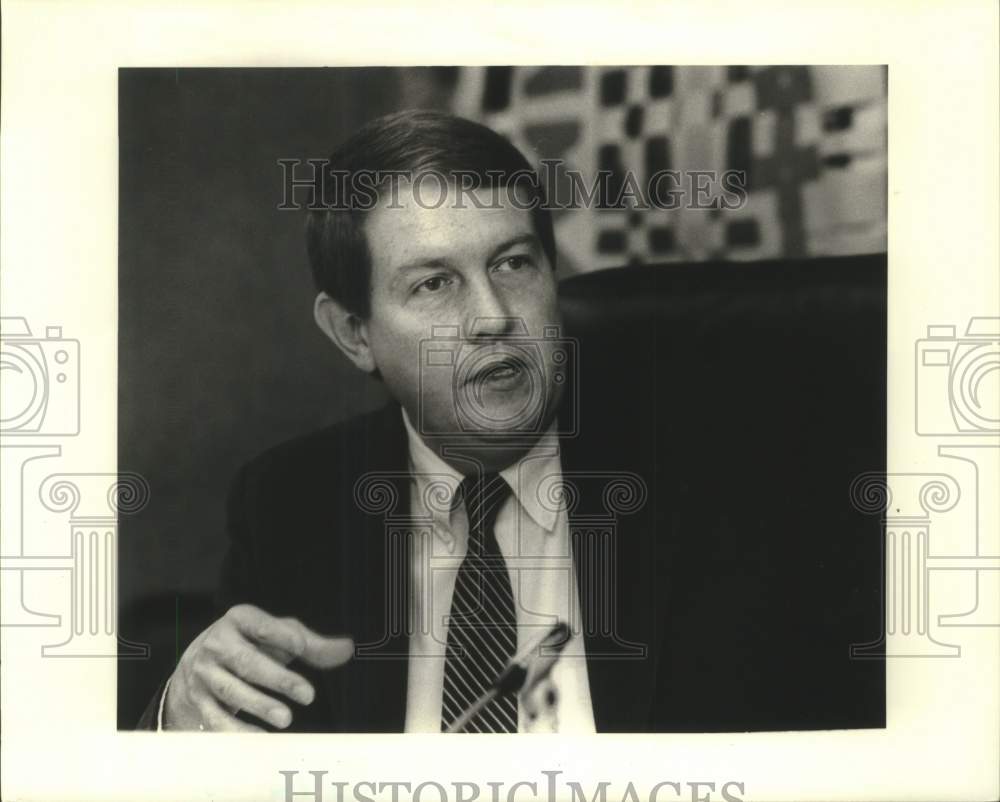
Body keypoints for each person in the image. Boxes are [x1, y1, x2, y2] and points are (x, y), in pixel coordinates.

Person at [138, 109, 884, 734]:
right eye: (434, 284)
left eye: (514, 264)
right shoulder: (290, 503)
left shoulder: (736, 470)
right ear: (353, 333)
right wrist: (178, 714)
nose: (493, 317)